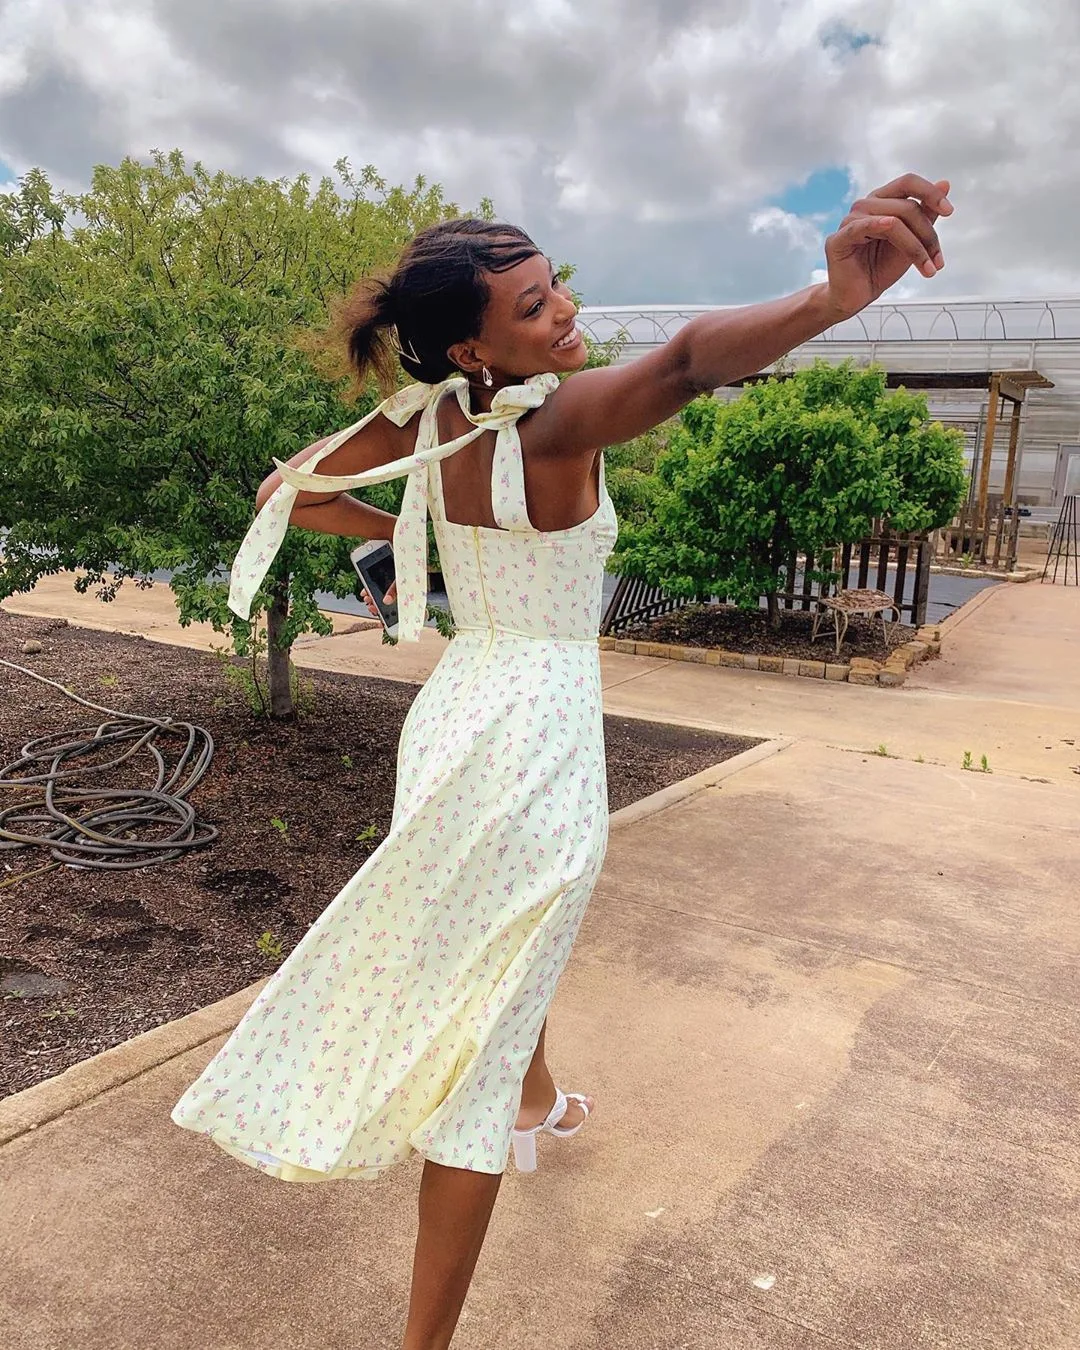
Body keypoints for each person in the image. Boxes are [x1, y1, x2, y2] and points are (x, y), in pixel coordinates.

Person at [172, 173, 952, 1349]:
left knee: (506, 948)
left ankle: (538, 1102)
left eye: (555, 287)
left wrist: (407, 531)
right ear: (471, 348)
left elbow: (285, 492)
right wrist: (825, 301)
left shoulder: (430, 420)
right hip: (534, 741)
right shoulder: (553, 423)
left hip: (455, 715)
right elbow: (685, 363)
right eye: (533, 307)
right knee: (477, 1063)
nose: (565, 311)